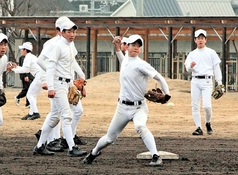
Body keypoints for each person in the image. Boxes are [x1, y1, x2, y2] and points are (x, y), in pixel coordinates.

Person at [82, 34, 171, 166]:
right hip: (122, 108)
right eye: (133, 45)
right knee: (109, 138)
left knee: (140, 126)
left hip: (139, 107)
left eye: (138, 46)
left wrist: (167, 94)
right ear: (127, 46)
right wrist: (117, 47)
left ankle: (156, 156)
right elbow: (121, 57)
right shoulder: (125, 61)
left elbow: (160, 78)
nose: (136, 48)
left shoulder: (141, 64)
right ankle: (93, 153)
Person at [33, 20, 87, 157]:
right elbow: (50, 67)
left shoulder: (69, 45)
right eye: (69, 31)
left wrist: (79, 78)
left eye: (74, 31)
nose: (72, 34)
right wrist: (51, 87)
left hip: (67, 83)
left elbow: (70, 63)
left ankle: (39, 146)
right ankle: (72, 147)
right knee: (66, 115)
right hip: (58, 84)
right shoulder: (57, 46)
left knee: (54, 117)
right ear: (62, 32)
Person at [184, 29, 223, 136]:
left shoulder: (211, 52)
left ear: (205, 40)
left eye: (202, 38)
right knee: (195, 105)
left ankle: (208, 123)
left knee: (207, 106)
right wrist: (190, 66)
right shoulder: (192, 54)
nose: (200, 40)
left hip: (207, 80)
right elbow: (187, 68)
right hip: (195, 80)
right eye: (198, 38)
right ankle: (198, 127)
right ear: (195, 40)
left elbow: (216, 68)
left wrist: (219, 82)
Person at [11, 42, 44, 120]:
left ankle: (35, 113)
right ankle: (31, 113)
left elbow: (25, 70)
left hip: (39, 76)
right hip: (41, 76)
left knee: (29, 95)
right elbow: (27, 69)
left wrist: (13, 69)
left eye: (22, 49)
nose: (21, 51)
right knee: (32, 95)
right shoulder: (31, 57)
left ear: (25, 50)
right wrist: (17, 67)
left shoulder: (27, 57)